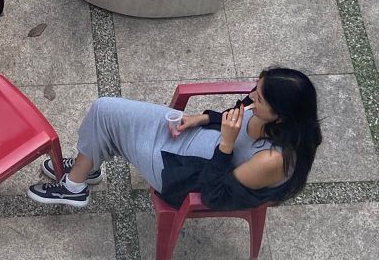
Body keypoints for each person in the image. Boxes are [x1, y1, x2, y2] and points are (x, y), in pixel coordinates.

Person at [28, 67, 321, 210]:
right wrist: (202, 118)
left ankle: (75, 185)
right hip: (192, 138)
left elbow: (215, 195)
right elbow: (232, 116)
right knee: (104, 109)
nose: (251, 96)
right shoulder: (265, 111)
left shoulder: (272, 161)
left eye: (260, 98)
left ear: (281, 116)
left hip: (182, 173)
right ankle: (87, 166)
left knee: (107, 121)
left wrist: (227, 144)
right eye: (256, 87)